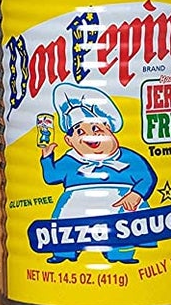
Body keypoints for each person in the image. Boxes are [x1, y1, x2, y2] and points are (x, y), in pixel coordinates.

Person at [37, 83, 157, 265]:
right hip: (75, 205)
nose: (90, 136)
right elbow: (51, 177)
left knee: (127, 228)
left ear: (109, 129)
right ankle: (63, 253)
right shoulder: (70, 160)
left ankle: (121, 254)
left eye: (96, 128)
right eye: (80, 131)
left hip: (122, 202)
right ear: (69, 140)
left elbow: (147, 177)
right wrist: (47, 157)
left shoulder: (127, 156)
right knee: (64, 227)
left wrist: (136, 194)